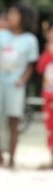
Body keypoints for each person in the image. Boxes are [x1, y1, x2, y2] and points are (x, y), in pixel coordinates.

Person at [0, 1, 39, 168]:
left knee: (13, 120)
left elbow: (30, 65)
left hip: (15, 85)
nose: (10, 17)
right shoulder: (1, 36)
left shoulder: (30, 40)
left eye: (14, 14)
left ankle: (12, 158)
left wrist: (22, 80)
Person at [36, 22, 53, 169]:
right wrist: (48, 54)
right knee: (50, 127)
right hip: (49, 96)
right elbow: (40, 68)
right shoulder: (47, 52)